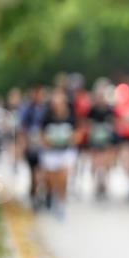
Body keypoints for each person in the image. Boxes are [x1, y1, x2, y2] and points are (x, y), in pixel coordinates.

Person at [39, 88, 77, 219]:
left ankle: (61, 203)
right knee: (51, 179)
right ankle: (51, 195)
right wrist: (46, 141)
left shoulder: (71, 115)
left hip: (66, 151)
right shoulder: (47, 116)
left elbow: (78, 131)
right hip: (51, 152)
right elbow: (41, 133)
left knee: (63, 177)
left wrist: (73, 138)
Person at [85, 79, 117, 200]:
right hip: (95, 140)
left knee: (106, 162)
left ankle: (105, 183)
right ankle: (96, 183)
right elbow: (86, 124)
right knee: (95, 162)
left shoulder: (110, 109)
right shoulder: (92, 110)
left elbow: (114, 124)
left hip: (106, 140)